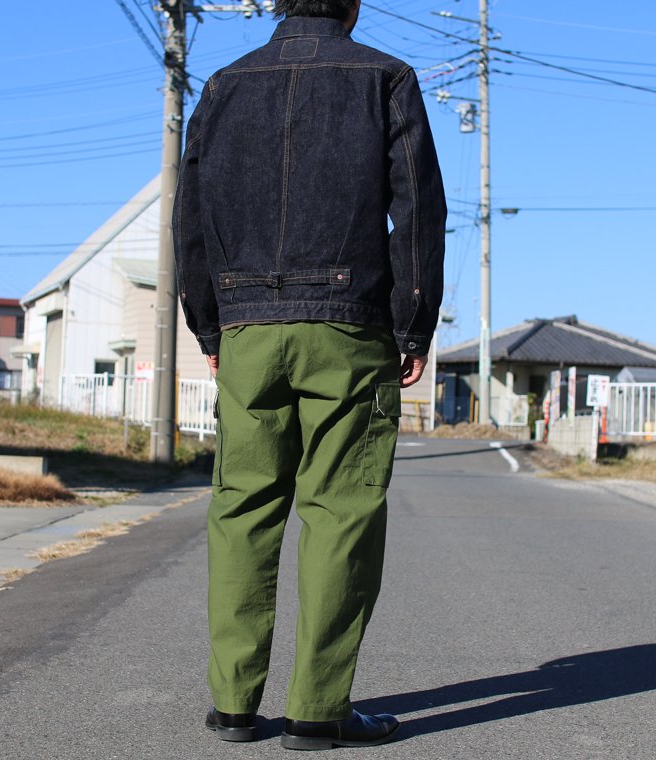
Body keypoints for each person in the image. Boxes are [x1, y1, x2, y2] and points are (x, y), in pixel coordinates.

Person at [173, 0, 446, 750]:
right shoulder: (385, 79)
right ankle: (318, 712)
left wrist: (208, 319)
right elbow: (417, 210)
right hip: (349, 326)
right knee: (340, 511)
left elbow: (190, 215)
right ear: (351, 4)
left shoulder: (225, 85)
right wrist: (412, 320)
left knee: (243, 506)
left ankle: (233, 705)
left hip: (248, 328)